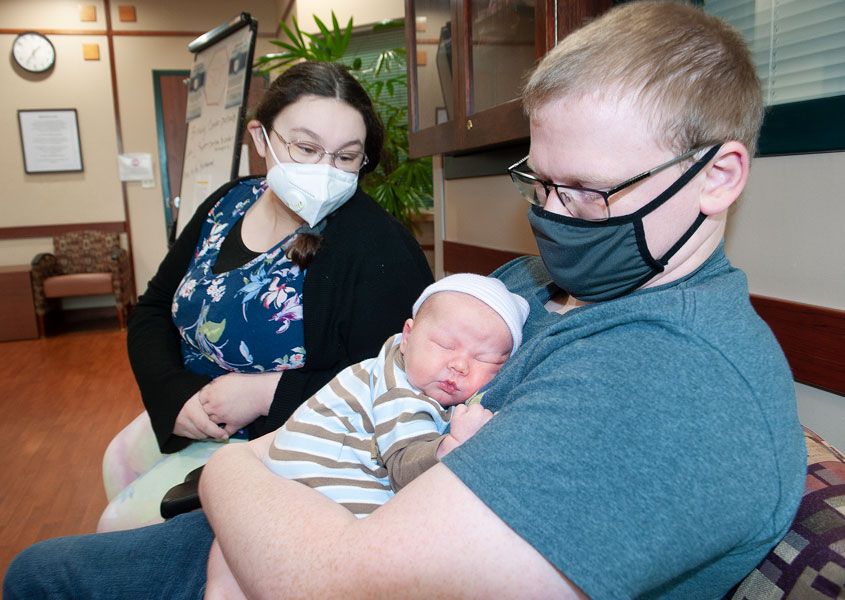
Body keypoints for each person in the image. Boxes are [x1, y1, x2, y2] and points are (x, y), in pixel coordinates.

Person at [4, 2, 807, 598]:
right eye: (542, 181)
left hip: (301, 530)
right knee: (37, 571)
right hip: (302, 498)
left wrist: (234, 471)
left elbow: (345, 581)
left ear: (717, 175)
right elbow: (379, 377)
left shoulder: (667, 378)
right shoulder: (524, 288)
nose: (553, 218)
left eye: (590, 193)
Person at [98, 60, 434, 531]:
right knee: (115, 466)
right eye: (305, 147)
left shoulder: (378, 248)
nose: (324, 169)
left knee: (116, 528)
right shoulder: (227, 203)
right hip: (192, 409)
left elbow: (393, 380)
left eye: (345, 156)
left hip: (284, 443)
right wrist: (174, 396)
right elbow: (153, 307)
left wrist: (264, 393)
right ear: (261, 139)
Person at [207, 273, 529, 598]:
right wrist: (451, 447)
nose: (459, 364)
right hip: (316, 498)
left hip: (273, 482)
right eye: (445, 344)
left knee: (231, 555)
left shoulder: (384, 365)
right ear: (408, 336)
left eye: (485, 359)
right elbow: (404, 468)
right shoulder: (403, 393)